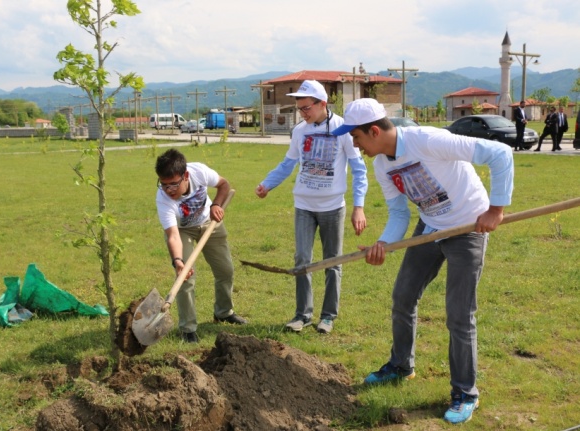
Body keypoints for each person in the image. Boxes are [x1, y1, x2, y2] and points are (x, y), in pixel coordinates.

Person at [331, 98, 514, 424]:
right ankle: (402, 365)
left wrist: (495, 209)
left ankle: (465, 392)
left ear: (374, 131)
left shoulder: (428, 140)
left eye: (356, 138)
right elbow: (399, 212)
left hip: (468, 227)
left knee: (459, 315)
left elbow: (500, 154)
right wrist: (384, 244)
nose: (355, 145)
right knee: (403, 296)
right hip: (429, 228)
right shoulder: (382, 164)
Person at [254, 80, 368, 335]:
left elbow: (360, 170)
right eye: (300, 109)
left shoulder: (343, 129)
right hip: (303, 205)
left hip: (332, 206)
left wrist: (358, 207)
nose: (303, 113)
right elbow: (288, 164)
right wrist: (267, 184)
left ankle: (327, 316)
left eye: (306, 108)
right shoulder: (299, 131)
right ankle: (302, 315)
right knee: (302, 259)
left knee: (332, 262)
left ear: (322, 104)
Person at [155, 148, 247, 343]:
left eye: (173, 184)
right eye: (164, 185)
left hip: (209, 223)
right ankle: (187, 328)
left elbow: (224, 185)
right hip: (183, 230)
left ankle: (223, 312)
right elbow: (172, 235)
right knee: (185, 278)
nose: (169, 190)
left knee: (225, 271)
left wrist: (216, 205)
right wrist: (178, 261)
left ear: (186, 175)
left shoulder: (199, 172)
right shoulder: (163, 199)